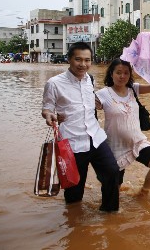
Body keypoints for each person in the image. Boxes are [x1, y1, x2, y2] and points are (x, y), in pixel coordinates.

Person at [41, 42, 119, 212]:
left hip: (95, 138)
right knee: (74, 191)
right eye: (78, 59)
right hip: (72, 144)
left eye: (87, 60)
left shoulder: (90, 79)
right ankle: (74, 223)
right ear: (69, 59)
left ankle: (110, 214)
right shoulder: (54, 83)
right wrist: (50, 116)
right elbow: (46, 108)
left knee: (112, 173)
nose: (83, 64)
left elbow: (90, 104)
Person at [95, 58, 150, 194]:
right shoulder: (102, 94)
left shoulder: (133, 89)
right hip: (115, 146)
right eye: (118, 72)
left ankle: (144, 192)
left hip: (137, 142)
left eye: (126, 73)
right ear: (111, 74)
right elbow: (84, 109)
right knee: (115, 189)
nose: (122, 76)